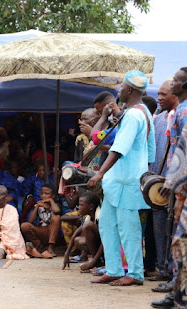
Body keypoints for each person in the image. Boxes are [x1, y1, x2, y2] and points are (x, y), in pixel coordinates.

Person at [87, 70, 155, 286]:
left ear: (129, 90)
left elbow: (119, 148)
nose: (119, 90)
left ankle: (135, 273)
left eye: (122, 87)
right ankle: (115, 269)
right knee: (107, 225)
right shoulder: (139, 111)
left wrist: (99, 173)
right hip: (120, 180)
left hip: (126, 179)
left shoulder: (135, 115)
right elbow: (150, 149)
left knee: (129, 228)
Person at [152, 68, 187, 308]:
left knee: (180, 243)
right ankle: (177, 292)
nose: (172, 83)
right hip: (177, 183)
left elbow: (183, 154)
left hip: (183, 188)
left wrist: (179, 194)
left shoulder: (185, 113)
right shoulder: (179, 111)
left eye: (175, 80)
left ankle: (178, 294)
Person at [149, 80, 179, 282]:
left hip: (177, 183)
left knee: (175, 228)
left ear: (175, 95)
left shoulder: (181, 117)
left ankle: (173, 271)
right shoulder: (157, 120)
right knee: (160, 227)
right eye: (158, 94)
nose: (159, 98)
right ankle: (162, 267)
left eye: (163, 94)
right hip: (157, 184)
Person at [62, 192, 102, 272]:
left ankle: (96, 262)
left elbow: (106, 241)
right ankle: (97, 262)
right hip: (100, 243)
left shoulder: (100, 216)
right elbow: (77, 232)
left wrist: (92, 263)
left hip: (107, 244)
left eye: (81, 205)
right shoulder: (89, 217)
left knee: (87, 226)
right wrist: (67, 253)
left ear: (91, 207)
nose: (78, 207)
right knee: (78, 240)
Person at [21, 184, 61, 258]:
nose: (43, 196)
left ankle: (50, 247)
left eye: (46, 194)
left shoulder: (56, 204)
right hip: (41, 230)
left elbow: (57, 211)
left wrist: (51, 201)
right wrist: (37, 207)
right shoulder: (39, 206)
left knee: (56, 217)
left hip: (52, 232)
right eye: (42, 193)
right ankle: (40, 247)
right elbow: (30, 221)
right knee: (24, 226)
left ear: (53, 195)